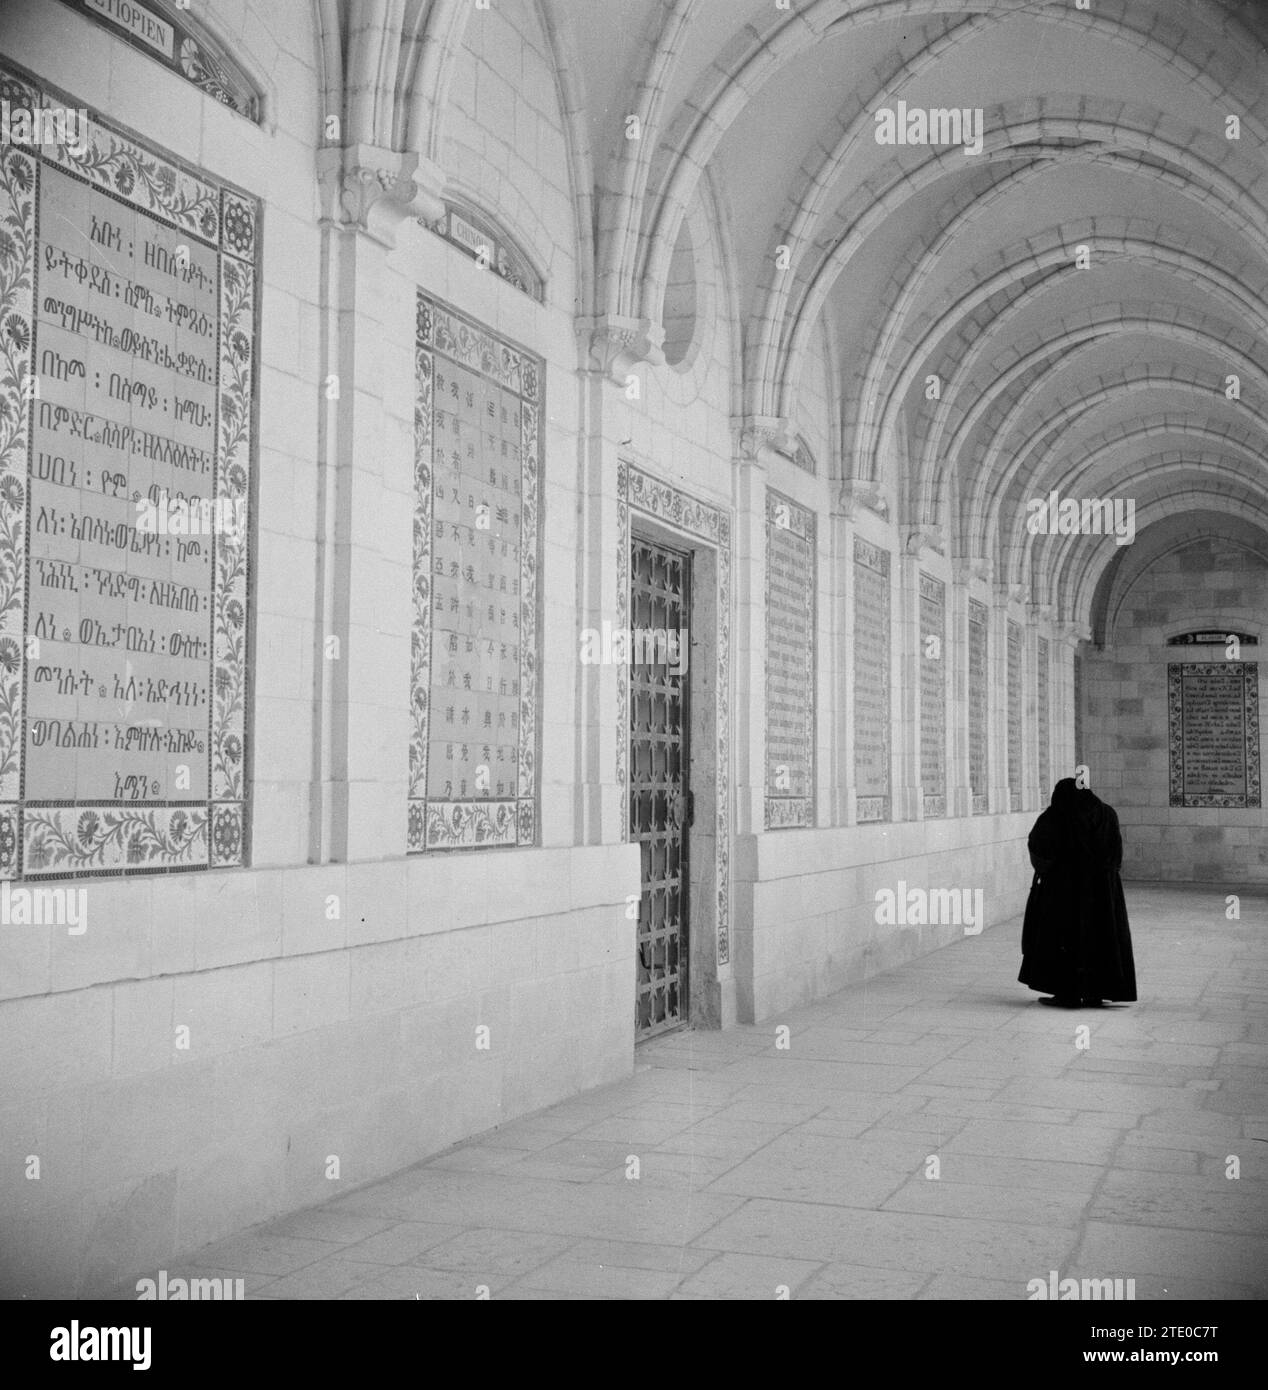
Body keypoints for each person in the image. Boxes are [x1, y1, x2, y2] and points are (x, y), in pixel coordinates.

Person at [1019, 777, 1137, 1007]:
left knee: (1064, 937)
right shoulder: (1107, 814)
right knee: (1102, 937)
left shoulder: (1055, 816)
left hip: (1062, 893)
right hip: (1103, 892)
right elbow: (1116, 853)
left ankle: (1067, 993)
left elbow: (1038, 848)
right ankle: (1096, 992)